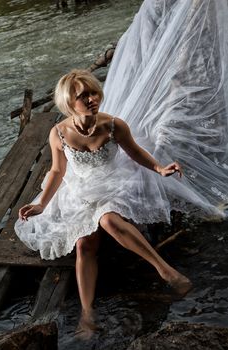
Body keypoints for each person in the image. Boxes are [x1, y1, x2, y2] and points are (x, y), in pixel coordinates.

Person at [15, 69, 192, 337]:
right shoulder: (58, 133)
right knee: (84, 243)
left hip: (116, 182)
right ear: (68, 103)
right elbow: (57, 171)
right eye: (82, 96)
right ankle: (87, 314)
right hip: (81, 189)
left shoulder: (113, 125)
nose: (91, 99)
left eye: (93, 92)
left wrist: (159, 169)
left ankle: (167, 272)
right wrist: (42, 204)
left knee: (108, 218)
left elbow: (134, 152)